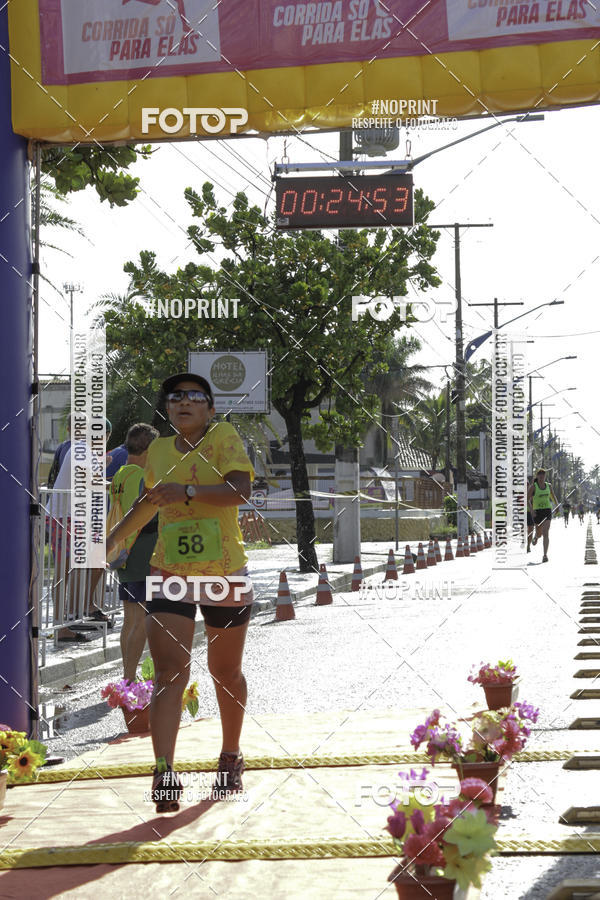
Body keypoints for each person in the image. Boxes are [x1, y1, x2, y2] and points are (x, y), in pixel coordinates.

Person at [106, 373, 255, 813]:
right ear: (167, 409)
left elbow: (240, 491)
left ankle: (230, 755)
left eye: (194, 396)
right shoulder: (157, 450)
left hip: (224, 572)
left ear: (209, 407)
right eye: (176, 397)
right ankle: (164, 770)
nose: (184, 402)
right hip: (169, 569)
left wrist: (188, 490)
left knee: (224, 672)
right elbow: (150, 501)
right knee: (170, 672)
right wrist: (114, 539)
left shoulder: (224, 437)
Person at [109, 423, 159, 683]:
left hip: (123, 552)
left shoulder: (120, 475)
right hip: (143, 551)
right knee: (140, 619)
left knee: (129, 619)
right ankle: (129, 679)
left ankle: (127, 675)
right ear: (149, 448)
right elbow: (145, 517)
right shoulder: (143, 476)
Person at [527, 468, 558, 563]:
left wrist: (556, 506)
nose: (541, 477)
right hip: (537, 512)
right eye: (540, 476)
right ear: (537, 477)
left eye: (543, 476)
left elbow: (553, 496)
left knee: (546, 532)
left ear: (545, 477)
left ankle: (545, 555)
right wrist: (531, 510)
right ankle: (536, 537)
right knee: (540, 534)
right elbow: (527, 499)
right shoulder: (533, 487)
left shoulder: (549, 486)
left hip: (547, 511)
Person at [526, 476, 535, 552]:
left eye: (527, 484)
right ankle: (528, 543)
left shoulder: (532, 491)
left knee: (531, 529)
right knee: (527, 529)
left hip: (530, 512)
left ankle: (528, 545)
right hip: (522, 513)